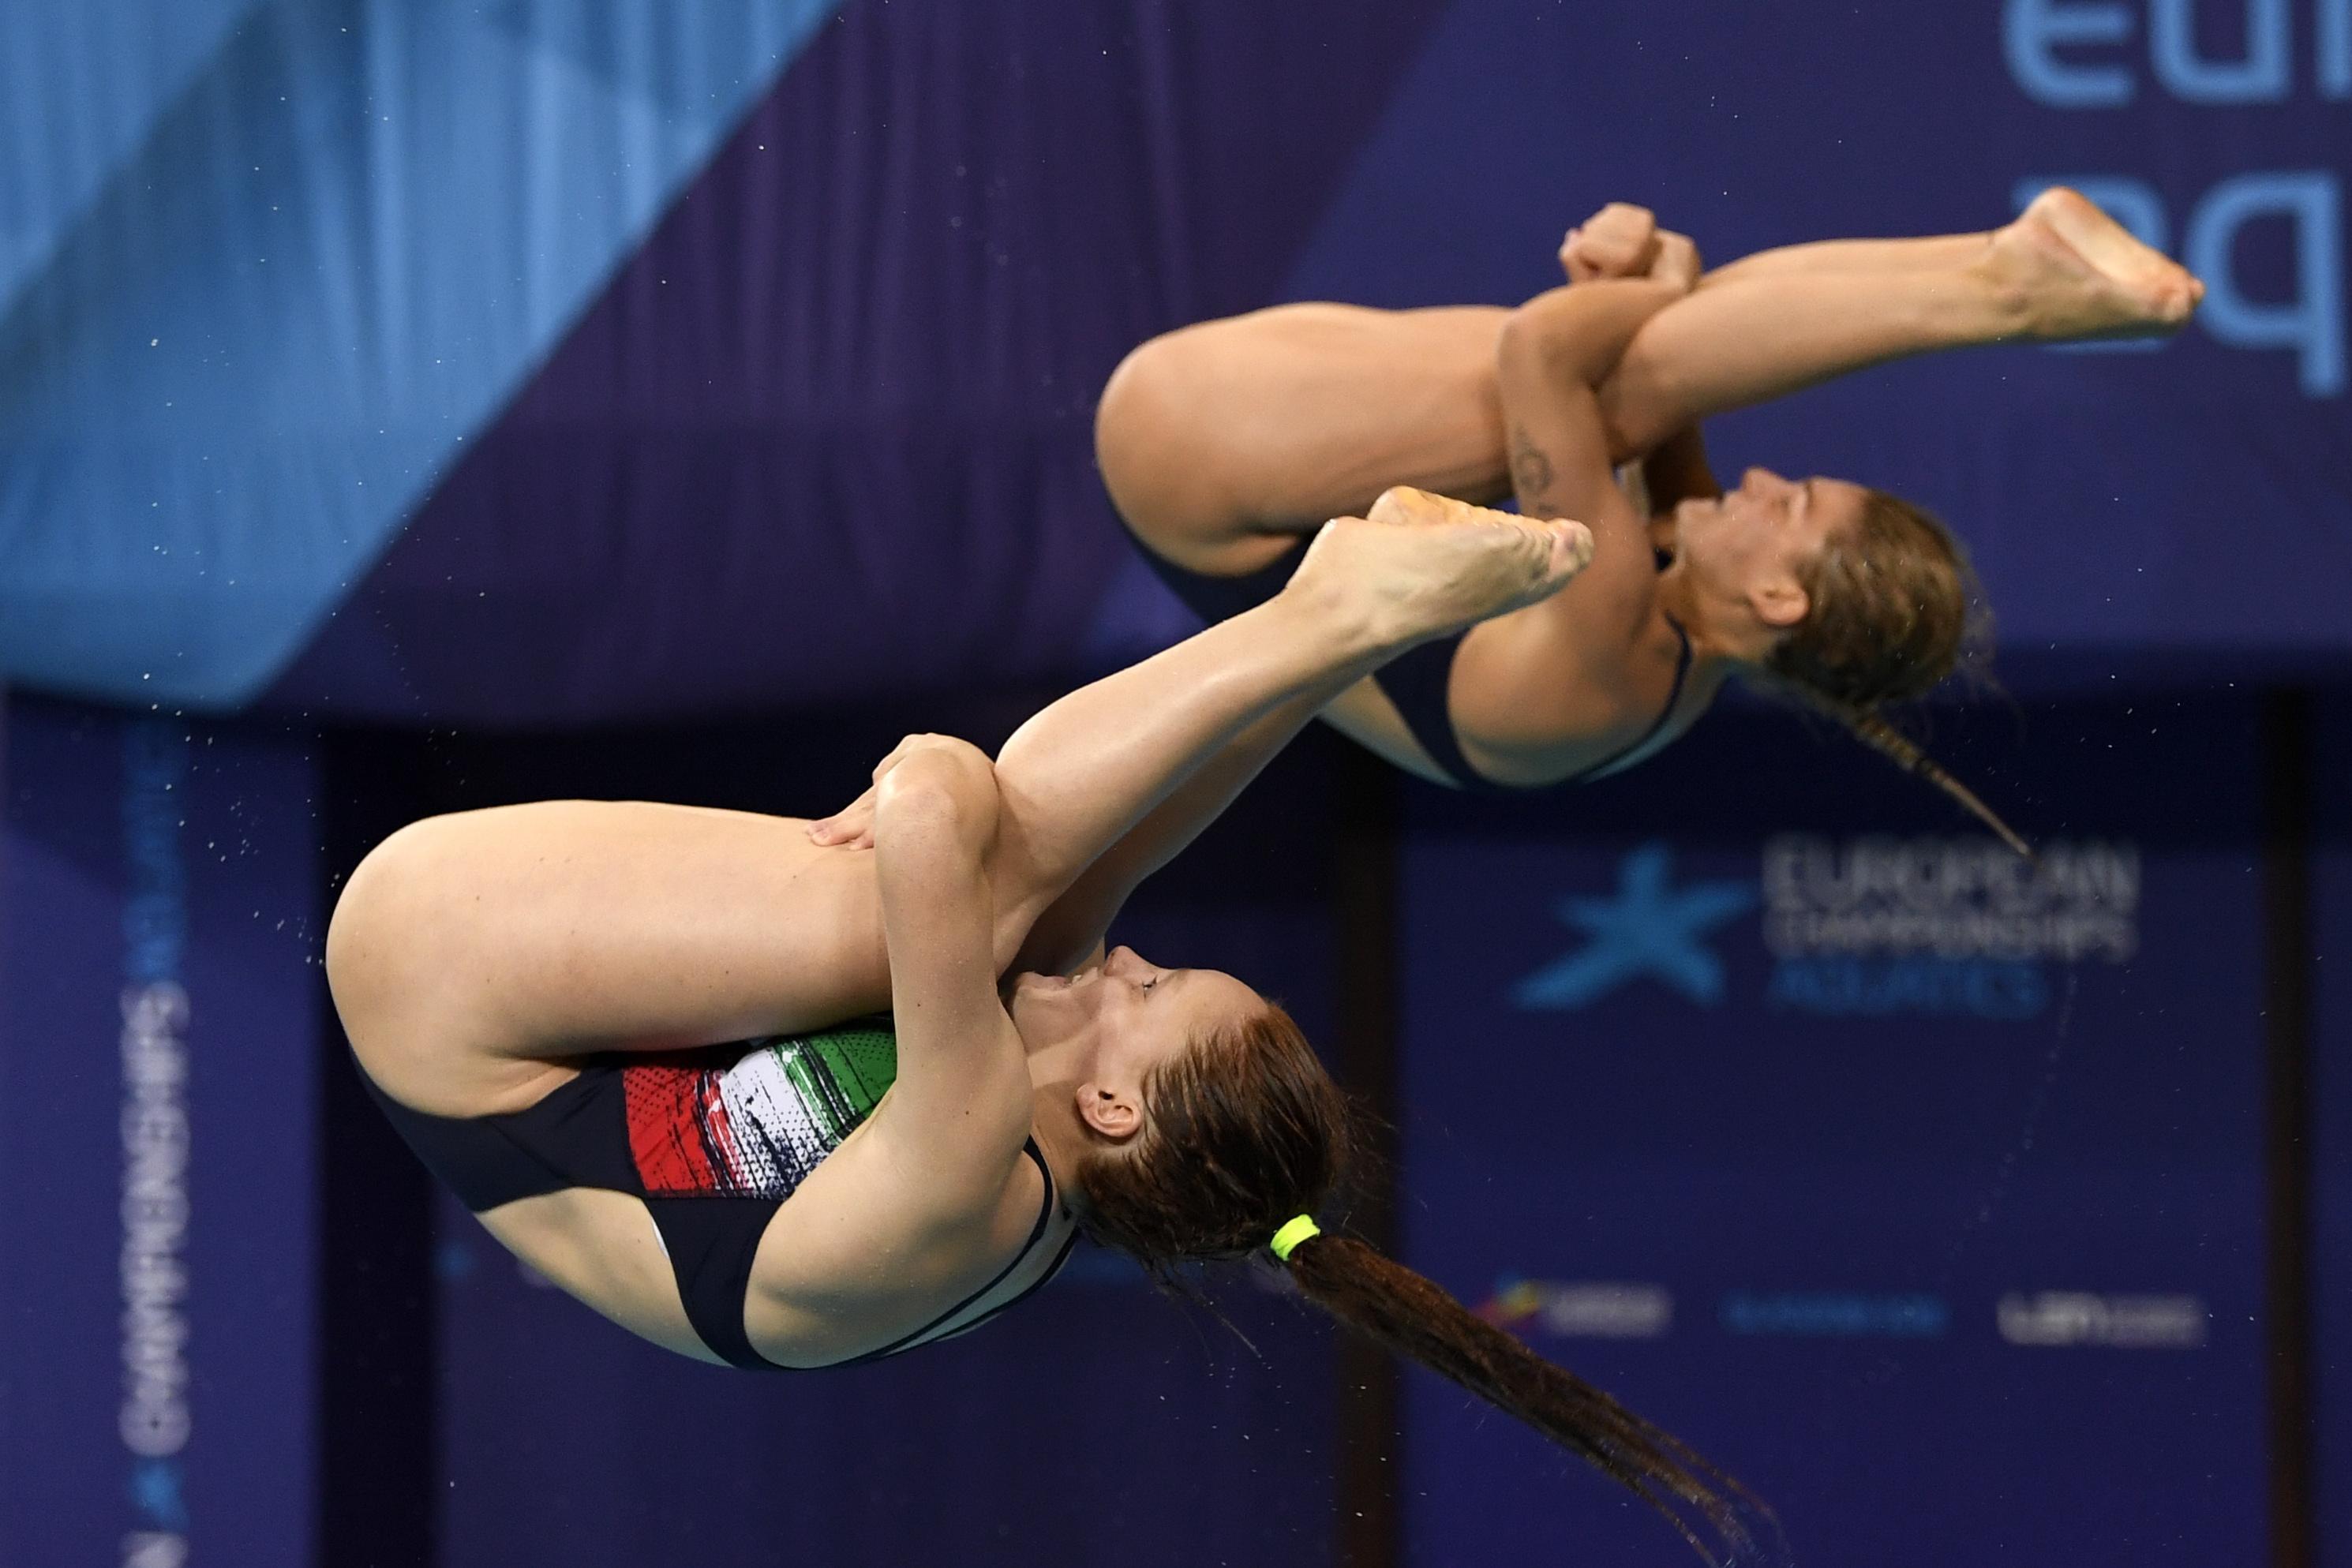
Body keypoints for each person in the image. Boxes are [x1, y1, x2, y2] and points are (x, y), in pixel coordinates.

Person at [327, 493, 1761, 1557]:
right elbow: (1110, 852)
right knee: (1048, 888)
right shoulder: (1050, 1122)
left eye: (1147, 997)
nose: (1131, 966)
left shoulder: (966, 1174)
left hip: (444, 983)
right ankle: (1340, 631)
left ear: (1118, 1109)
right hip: (547, 1022)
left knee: (1000, 866)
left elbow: (944, 807)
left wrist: (927, 801)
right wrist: (1304, 691)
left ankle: (1342, 609)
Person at [1097, 187, 2205, 852]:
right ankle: (2002, 261)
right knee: (1657, 363)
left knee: (1633, 372)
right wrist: (1658, 278)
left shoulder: (1615, 632)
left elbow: (1544, 351)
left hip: (1198, 469)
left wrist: (1650, 287)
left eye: (1793, 508)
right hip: (1242, 477)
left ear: (1779, 597)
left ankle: (2008, 291)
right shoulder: (1680, 614)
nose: (1764, 479)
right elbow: (1660, 370)